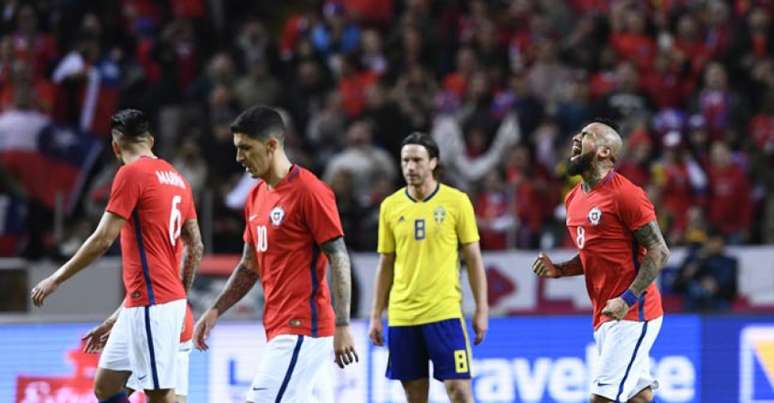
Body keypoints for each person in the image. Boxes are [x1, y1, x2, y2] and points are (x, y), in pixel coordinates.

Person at [31, 109, 203, 403]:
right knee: (107, 385)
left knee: (160, 395)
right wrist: (176, 297)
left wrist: (56, 279)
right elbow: (195, 246)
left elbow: (102, 239)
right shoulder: (179, 180)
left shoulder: (130, 173)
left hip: (155, 304)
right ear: (151, 140)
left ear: (115, 146)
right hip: (152, 302)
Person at [192, 105, 358, 403]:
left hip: (302, 328)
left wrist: (343, 324)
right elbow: (248, 266)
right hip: (279, 327)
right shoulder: (255, 196)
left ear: (271, 145)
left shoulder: (310, 191)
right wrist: (216, 309)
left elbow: (339, 256)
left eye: (245, 148)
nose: (239, 158)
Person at [532, 122, 671, 403]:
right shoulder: (573, 199)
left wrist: (627, 299)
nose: (575, 137)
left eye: (585, 135)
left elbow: (659, 251)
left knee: (601, 398)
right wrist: (559, 270)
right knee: (639, 397)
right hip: (605, 313)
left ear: (605, 151)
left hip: (633, 313)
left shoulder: (626, 194)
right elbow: (593, 255)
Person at [368, 132, 489, 403]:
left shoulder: (456, 202)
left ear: (433, 162)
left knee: (459, 390)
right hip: (402, 316)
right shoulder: (390, 206)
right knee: (415, 396)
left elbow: (473, 258)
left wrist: (482, 309)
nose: (410, 167)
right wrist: (376, 314)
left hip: (443, 312)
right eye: (405, 161)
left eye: (417, 160)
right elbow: (385, 264)